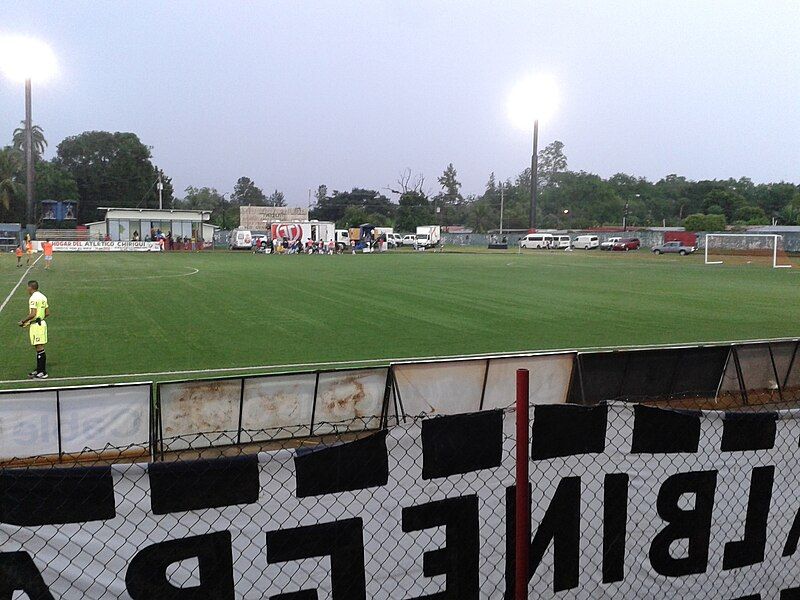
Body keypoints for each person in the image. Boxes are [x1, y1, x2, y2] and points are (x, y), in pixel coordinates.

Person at [18, 280, 49, 379]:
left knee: (40, 348)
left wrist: (23, 321)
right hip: (41, 323)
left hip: (37, 326)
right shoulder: (43, 297)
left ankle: (42, 372)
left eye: (27, 287)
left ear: (31, 287)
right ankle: (39, 369)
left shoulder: (33, 298)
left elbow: (33, 314)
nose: (27, 289)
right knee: (38, 347)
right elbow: (47, 312)